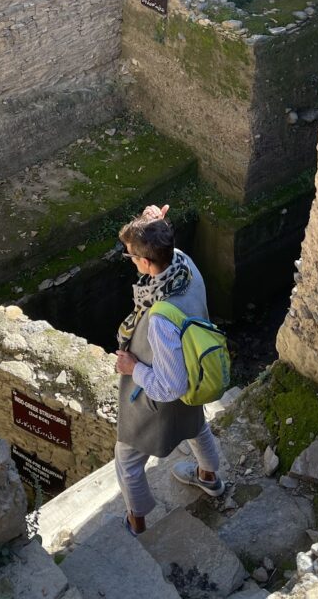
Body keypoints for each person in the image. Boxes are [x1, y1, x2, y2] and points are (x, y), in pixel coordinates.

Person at [114, 203, 225, 536]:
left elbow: (169, 386)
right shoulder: (183, 265)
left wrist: (133, 367)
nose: (130, 259)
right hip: (196, 373)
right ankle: (209, 479)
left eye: (131, 256)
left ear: (146, 263)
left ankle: (137, 522)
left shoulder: (161, 317)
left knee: (128, 459)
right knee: (196, 426)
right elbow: (164, 251)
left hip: (161, 394)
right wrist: (153, 226)